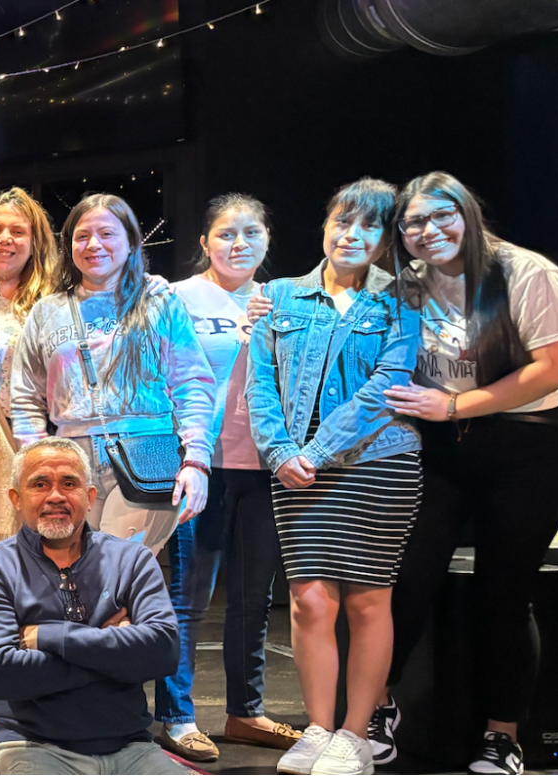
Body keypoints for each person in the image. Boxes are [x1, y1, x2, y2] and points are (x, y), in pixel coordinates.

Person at [380, 172, 558, 776]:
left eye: (440, 216)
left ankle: (502, 735)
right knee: (405, 575)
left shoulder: (524, 271)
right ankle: (376, 708)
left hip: (529, 446)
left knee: (503, 593)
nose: (427, 232)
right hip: (443, 446)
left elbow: (553, 367)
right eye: (412, 223)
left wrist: (458, 405)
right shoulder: (407, 283)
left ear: (468, 213)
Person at [244, 179, 420, 776]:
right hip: (294, 469)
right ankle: (318, 729)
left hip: (376, 464)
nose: (352, 235)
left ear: (385, 238)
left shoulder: (402, 302)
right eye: (343, 221)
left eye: (369, 226)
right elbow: (259, 382)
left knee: (369, 603)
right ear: (325, 226)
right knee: (309, 601)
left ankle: (355, 735)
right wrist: (278, 452)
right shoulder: (280, 296)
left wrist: (314, 451)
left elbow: (386, 390)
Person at [156, 194, 300, 762]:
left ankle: (245, 712)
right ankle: (177, 714)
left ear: (267, 240)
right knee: (188, 597)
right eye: (225, 234)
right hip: (200, 464)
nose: (238, 244)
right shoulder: (177, 296)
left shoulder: (285, 299)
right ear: (204, 242)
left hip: (264, 465)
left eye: (250, 233)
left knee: (253, 599)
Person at [0, 437, 187, 776]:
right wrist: (112, 655)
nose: (55, 496)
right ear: (16, 500)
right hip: (33, 746)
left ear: (90, 497)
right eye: (40, 484)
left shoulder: (131, 560)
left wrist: (53, 637)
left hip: (131, 746)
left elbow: (164, 652)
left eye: (69, 483)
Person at [8, 193, 215, 553]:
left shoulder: (158, 301)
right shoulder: (47, 311)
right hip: (70, 456)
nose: (94, 245)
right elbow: (26, 394)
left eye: (107, 233)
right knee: (75, 579)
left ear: (132, 241)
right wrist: (36, 461)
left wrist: (197, 460)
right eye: (82, 236)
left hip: (147, 446)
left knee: (115, 577)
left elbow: (192, 383)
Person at [0, 187, 64, 553]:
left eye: (18, 232)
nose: (5, 239)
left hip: (39, 446)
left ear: (35, 243)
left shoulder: (55, 303)